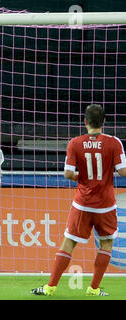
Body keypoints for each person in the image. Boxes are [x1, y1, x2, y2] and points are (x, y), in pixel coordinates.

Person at [31, 104, 126, 296]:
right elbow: (123, 171)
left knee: (68, 243)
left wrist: (79, 177)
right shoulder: (114, 142)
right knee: (106, 244)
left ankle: (50, 287)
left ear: (85, 122)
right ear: (104, 122)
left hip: (82, 203)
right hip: (105, 205)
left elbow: (67, 173)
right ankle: (93, 289)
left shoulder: (75, 142)